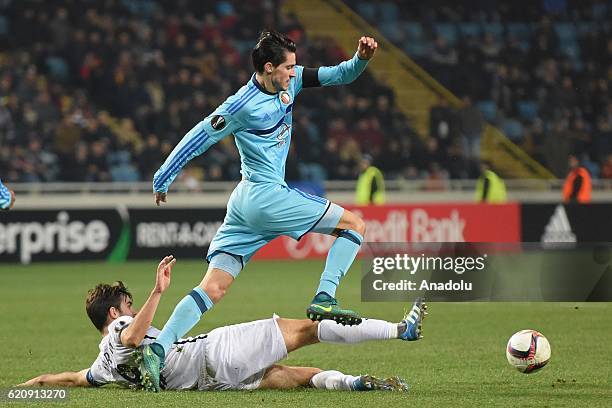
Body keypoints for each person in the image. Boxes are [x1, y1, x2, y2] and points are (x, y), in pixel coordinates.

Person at [147, 30, 378, 391]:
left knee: (214, 286)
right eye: (287, 66)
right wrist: (165, 174)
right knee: (354, 225)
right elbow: (200, 134)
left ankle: (158, 349)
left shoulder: (294, 79)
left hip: (244, 204)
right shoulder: (240, 105)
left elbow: (341, 74)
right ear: (268, 68)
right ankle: (325, 297)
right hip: (267, 197)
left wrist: (361, 57)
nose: (294, 71)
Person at [18, 256, 427, 393]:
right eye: (126, 303)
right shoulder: (122, 329)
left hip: (214, 381)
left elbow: (63, 380)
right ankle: (399, 330)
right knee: (308, 329)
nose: (131, 308)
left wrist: (19, 392)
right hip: (216, 350)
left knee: (300, 376)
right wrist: (158, 292)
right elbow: (134, 334)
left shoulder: (101, 369)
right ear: (114, 313)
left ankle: (355, 384)